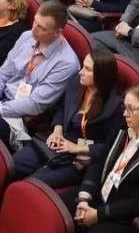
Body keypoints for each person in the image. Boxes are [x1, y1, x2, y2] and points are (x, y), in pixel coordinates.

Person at [66, 83, 139, 233]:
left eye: (130, 109)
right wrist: (84, 197)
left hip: (124, 215)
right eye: (124, 107)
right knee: (60, 206)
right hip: (100, 194)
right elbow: (100, 160)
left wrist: (98, 214)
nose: (125, 114)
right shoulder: (124, 125)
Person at [0, 0, 80, 150]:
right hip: (2, 94)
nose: (34, 29)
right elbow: (2, 74)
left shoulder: (67, 63)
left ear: (58, 32)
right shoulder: (26, 37)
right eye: (35, 22)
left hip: (21, 118)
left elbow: (35, 104)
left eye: (42, 28)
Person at [14, 50, 123, 188]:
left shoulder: (116, 106)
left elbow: (111, 146)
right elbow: (62, 107)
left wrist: (76, 148)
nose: (81, 72)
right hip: (55, 143)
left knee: (30, 185)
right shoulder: (77, 82)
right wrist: (57, 130)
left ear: (102, 75)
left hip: (78, 158)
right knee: (12, 166)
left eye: (87, 69)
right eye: (83, 66)